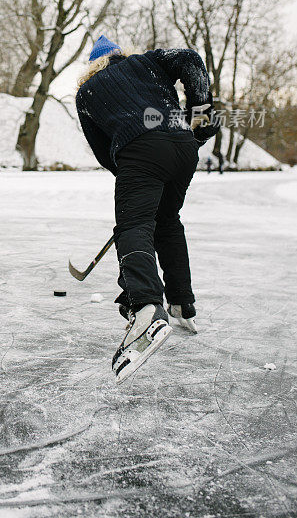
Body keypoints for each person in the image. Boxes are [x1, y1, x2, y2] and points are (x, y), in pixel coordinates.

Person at [76, 35, 219, 380]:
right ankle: (182, 302)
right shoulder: (148, 63)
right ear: (118, 55)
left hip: (140, 151)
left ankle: (146, 307)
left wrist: (135, 181)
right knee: (168, 222)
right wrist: (199, 111)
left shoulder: (87, 93)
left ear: (93, 65)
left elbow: (102, 149)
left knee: (133, 226)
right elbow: (189, 59)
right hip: (184, 147)